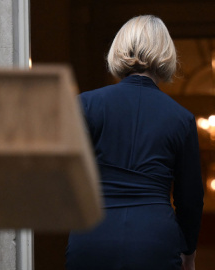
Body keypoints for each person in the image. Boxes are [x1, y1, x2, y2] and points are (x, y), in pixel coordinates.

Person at [65, 15, 204, 270]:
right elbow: (190, 199)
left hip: (94, 233)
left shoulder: (85, 105)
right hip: (154, 237)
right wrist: (189, 254)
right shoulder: (181, 119)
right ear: (166, 53)